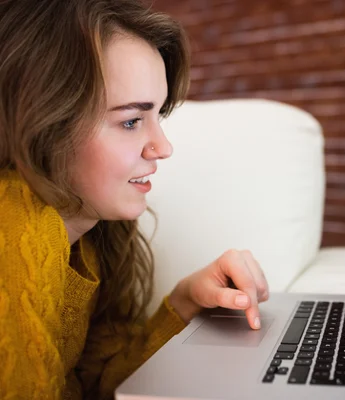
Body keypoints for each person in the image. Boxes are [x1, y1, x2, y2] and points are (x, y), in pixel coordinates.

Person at [0, 0, 269, 398]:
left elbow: (103, 383)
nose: (163, 147)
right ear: (43, 124)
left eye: (159, 115)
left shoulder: (95, 239)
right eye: (130, 121)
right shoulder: (12, 227)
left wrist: (184, 303)